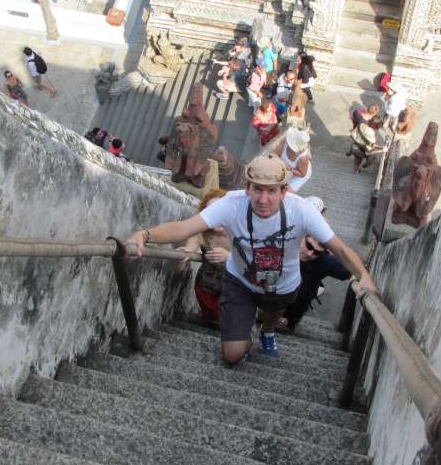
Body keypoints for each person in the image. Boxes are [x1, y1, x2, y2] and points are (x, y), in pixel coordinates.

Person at [124, 153, 377, 364]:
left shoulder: (302, 211)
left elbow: (339, 248)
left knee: (274, 309)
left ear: (284, 191)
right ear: (247, 188)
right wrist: (144, 234)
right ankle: (246, 337)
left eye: (271, 191)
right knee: (232, 356)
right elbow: (184, 228)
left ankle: (267, 331)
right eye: (257, 189)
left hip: (282, 281)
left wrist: (363, 275)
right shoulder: (231, 204)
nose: (263, 200)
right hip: (240, 281)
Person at [282, 196, 351, 331]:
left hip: (290, 316)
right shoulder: (283, 241)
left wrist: (356, 277)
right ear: (302, 235)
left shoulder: (323, 261)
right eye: (308, 245)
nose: (309, 254)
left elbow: (350, 270)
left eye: (316, 252)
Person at [178, 189, 231, 324]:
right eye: (210, 211)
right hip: (206, 286)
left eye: (220, 210)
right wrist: (185, 252)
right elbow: (191, 245)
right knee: (212, 320)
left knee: (230, 319)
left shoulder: (242, 232)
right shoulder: (203, 233)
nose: (216, 216)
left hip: (234, 289)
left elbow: (254, 260)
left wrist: (229, 257)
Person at [277, 127, 312, 192]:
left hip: (299, 175)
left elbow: (302, 174)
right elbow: (275, 154)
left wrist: (288, 168)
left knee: (285, 192)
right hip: (286, 169)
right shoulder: (285, 140)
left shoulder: (303, 158)